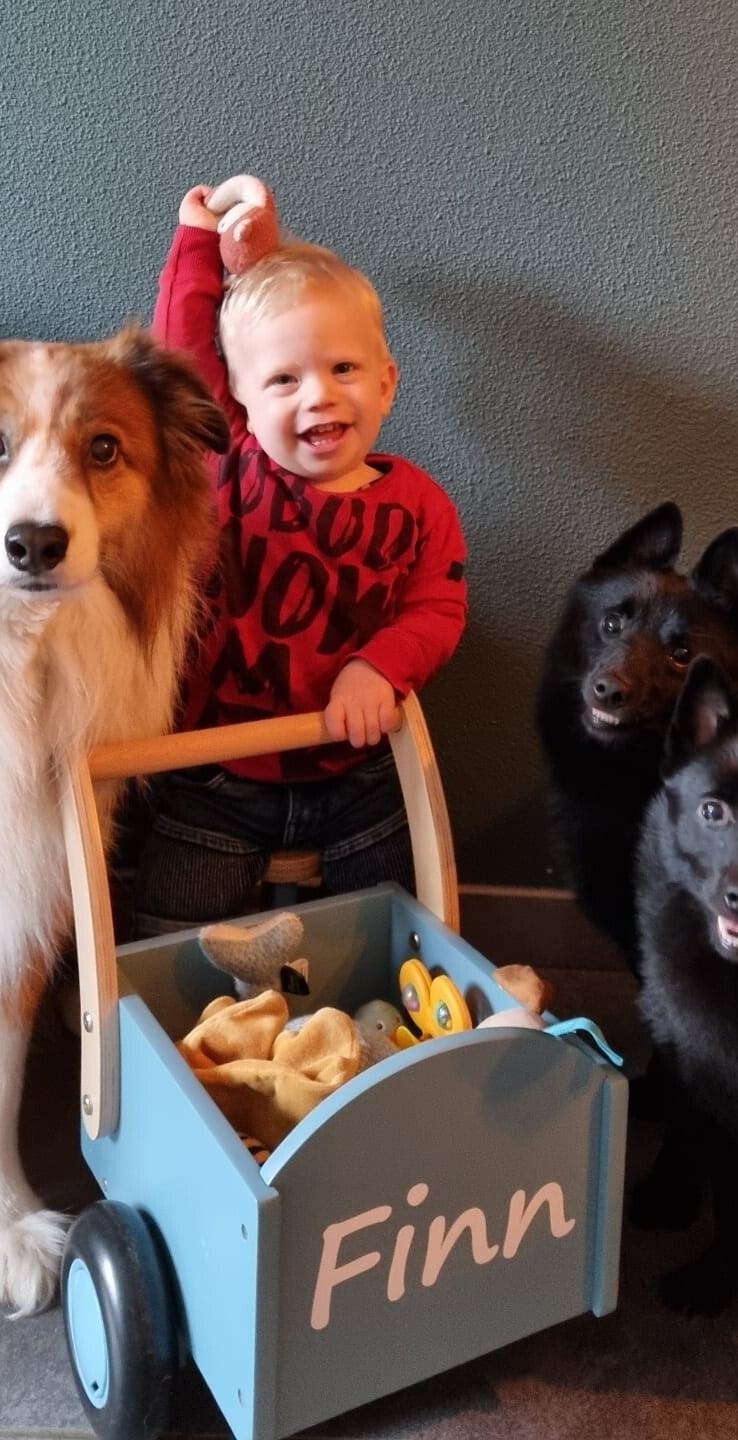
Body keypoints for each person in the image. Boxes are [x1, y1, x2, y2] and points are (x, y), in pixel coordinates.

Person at [130, 174, 468, 931]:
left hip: (360, 774)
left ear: (386, 384)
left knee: (394, 927)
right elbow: (179, 358)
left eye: (343, 369)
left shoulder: (421, 504)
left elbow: (437, 608)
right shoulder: (228, 462)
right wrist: (196, 245)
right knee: (171, 931)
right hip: (215, 775)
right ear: (241, 401)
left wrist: (380, 666)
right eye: (284, 379)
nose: (318, 395)